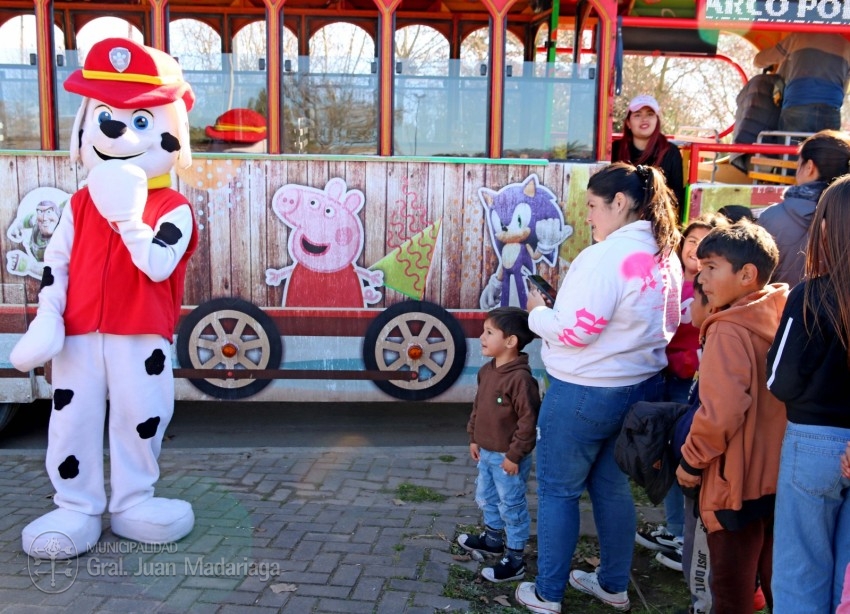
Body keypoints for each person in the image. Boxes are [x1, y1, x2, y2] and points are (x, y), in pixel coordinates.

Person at [515, 162, 682, 614]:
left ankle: (548, 593)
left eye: (592, 205)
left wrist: (535, 312)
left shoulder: (603, 257)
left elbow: (574, 332)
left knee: (558, 491)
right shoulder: (665, 254)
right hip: (640, 389)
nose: (587, 216)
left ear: (620, 203)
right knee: (611, 489)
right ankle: (612, 585)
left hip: (584, 393)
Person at [676, 221, 788, 614]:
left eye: (711, 267)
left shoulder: (727, 330)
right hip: (776, 475)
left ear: (746, 275)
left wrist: (691, 461)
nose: (700, 277)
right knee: (777, 580)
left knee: (730, 586)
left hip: (735, 481)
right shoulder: (777, 313)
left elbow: (721, 411)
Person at [766, 175, 850, 613]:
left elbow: (781, 380)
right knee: (845, 583)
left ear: (828, 228)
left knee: (801, 570)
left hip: (814, 442)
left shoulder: (811, 295)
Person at [638, 213, 727, 573]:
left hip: (688, 383)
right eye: (691, 241)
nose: (696, 249)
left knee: (685, 456)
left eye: (705, 243)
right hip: (662, 378)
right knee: (667, 456)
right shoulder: (668, 279)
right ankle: (675, 529)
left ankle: (684, 536)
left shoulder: (714, 293)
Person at [457, 307, 541, 583]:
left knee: (512, 506)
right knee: (488, 497)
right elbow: (478, 407)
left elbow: (528, 422)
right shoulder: (486, 371)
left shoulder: (521, 380)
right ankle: (493, 540)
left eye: (489, 332)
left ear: (510, 341)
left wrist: (515, 455)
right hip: (486, 452)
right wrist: (473, 436)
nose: (481, 337)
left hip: (508, 458)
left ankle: (515, 559)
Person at [757, 130, 850, 287]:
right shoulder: (843, 217)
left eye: (798, 164)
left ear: (809, 167)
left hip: (781, 310)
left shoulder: (771, 218)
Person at [753, 33, 850, 136]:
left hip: (797, 105)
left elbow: (759, 61)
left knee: (790, 149)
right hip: (831, 112)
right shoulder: (847, 46)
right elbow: (844, 86)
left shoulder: (798, 37)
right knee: (824, 150)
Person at [613, 95, 685, 212]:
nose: (644, 119)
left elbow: (676, 196)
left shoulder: (671, 152)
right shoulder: (614, 149)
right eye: (637, 115)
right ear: (628, 123)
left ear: (657, 120)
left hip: (657, 217)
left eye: (650, 114)